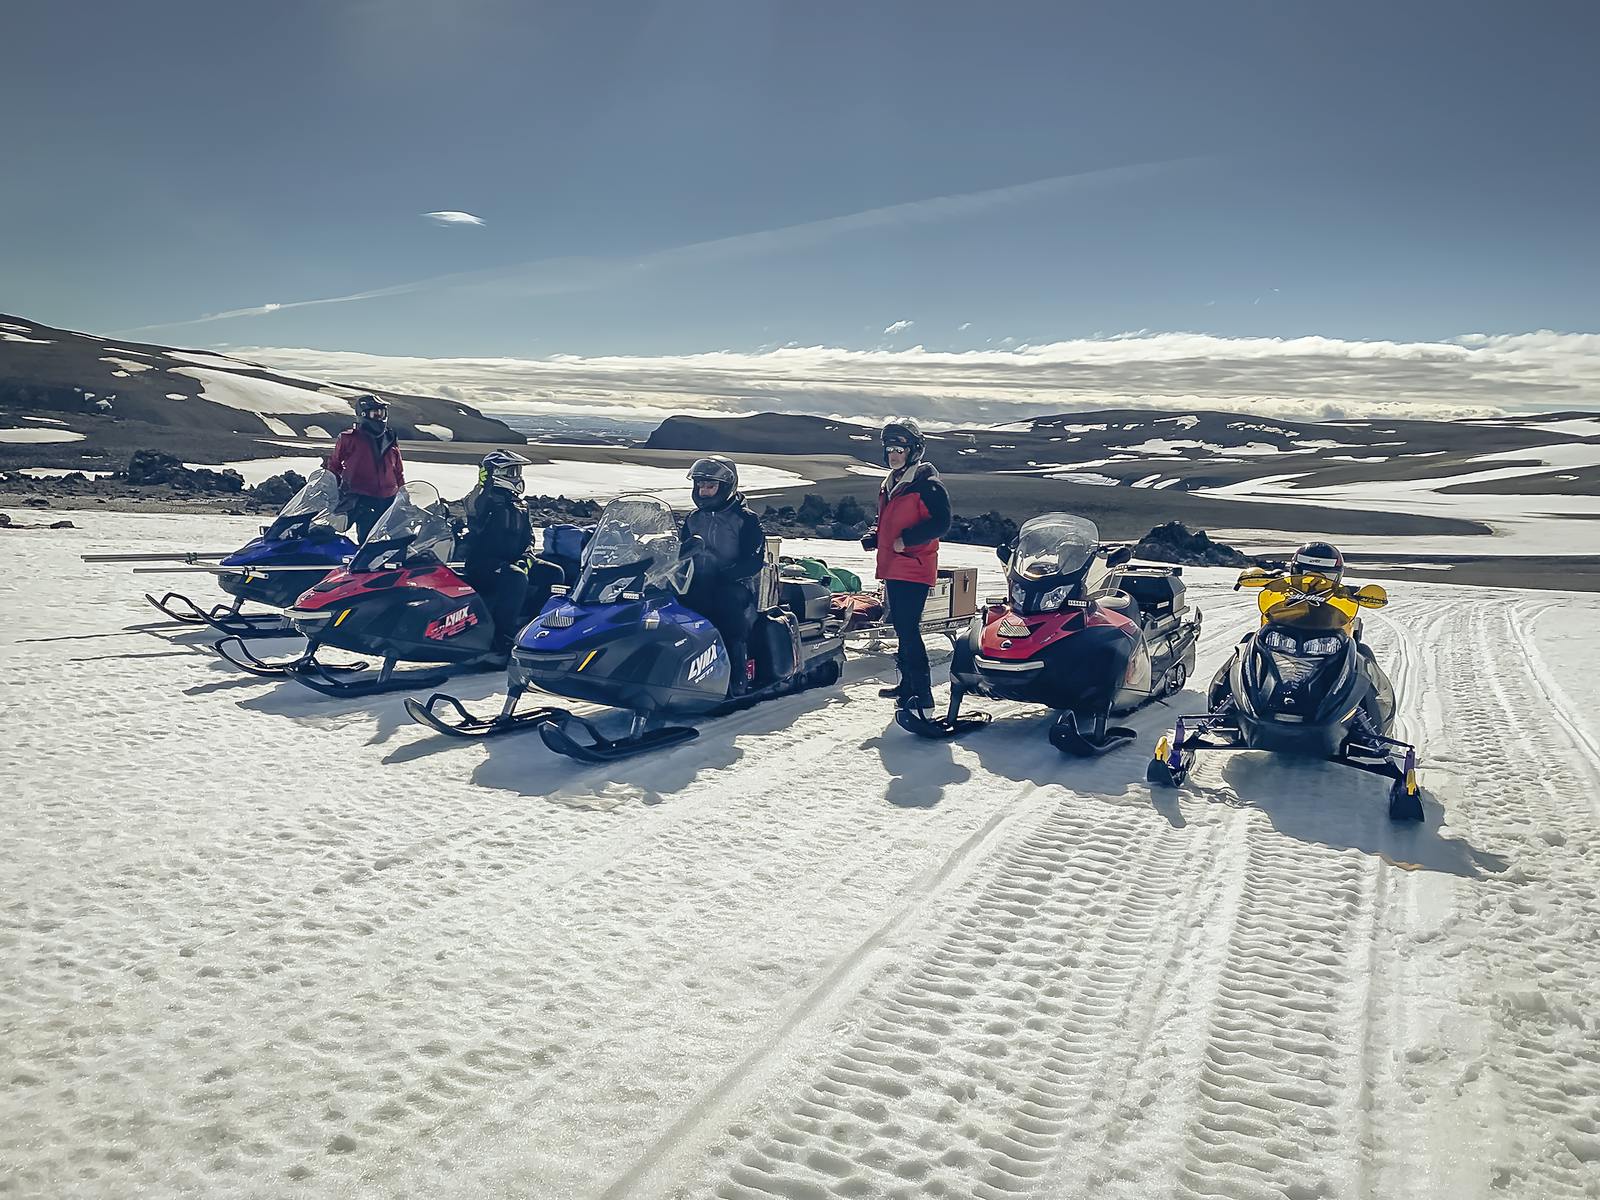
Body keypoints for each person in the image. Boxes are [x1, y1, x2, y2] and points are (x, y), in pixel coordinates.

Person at [861, 417, 951, 716]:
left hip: (914, 565)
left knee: (909, 629)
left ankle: (922, 693)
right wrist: (876, 536)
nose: (893, 454)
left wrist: (907, 540)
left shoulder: (927, 485)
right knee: (901, 627)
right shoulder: (892, 483)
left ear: (913, 451)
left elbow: (941, 523)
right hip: (893, 565)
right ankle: (907, 685)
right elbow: (886, 520)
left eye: (899, 448)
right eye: (890, 449)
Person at [459, 450, 562, 662]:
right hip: (484, 563)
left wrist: (527, 558)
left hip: (514, 562)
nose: (517, 476)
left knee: (554, 573)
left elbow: (529, 539)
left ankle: (533, 629)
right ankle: (501, 638)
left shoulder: (520, 506)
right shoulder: (482, 501)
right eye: (512, 471)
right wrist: (484, 483)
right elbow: (475, 513)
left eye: (518, 471)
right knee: (515, 578)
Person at [680, 455, 766, 695]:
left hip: (734, 584)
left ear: (726, 487)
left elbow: (754, 560)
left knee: (724, 608)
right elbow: (680, 550)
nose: (704, 491)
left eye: (710, 486)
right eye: (700, 486)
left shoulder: (745, 519)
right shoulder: (693, 519)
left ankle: (737, 675)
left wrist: (724, 575)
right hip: (696, 581)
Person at [325, 394, 405, 541]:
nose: (380, 417)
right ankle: (363, 564)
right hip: (363, 498)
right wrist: (332, 490)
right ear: (363, 414)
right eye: (376, 413)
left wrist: (403, 493)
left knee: (398, 538)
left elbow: (398, 469)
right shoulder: (349, 438)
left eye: (382, 413)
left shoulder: (390, 436)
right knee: (368, 539)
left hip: (390, 498)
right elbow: (334, 465)